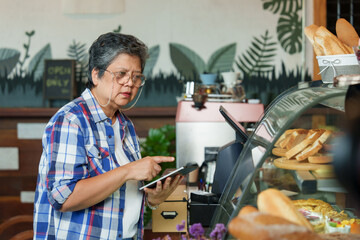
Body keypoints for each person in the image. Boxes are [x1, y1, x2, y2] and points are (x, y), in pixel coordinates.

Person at [33, 32, 183, 240]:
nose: (129, 83)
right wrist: (129, 170)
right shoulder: (71, 120)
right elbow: (63, 198)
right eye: (121, 74)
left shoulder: (125, 125)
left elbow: (120, 196)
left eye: (136, 76)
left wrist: (153, 199)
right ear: (96, 75)